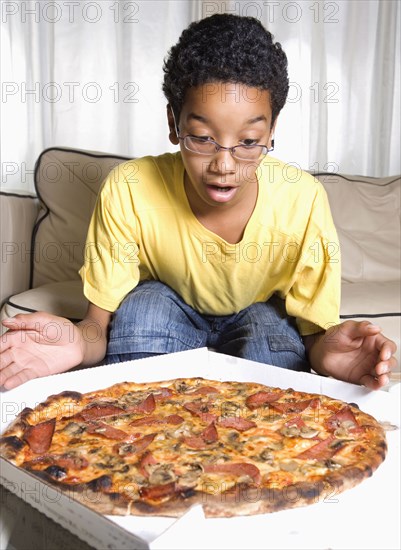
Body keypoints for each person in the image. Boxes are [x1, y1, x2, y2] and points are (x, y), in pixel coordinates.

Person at [0, 14, 397, 390]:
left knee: (271, 334)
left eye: (247, 142)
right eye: (203, 138)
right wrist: (75, 341)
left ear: (272, 131)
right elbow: (94, 332)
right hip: (165, 307)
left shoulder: (303, 200)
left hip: (258, 313)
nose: (224, 165)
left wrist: (330, 355)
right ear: (174, 123)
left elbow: (313, 337)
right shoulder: (129, 187)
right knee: (145, 305)